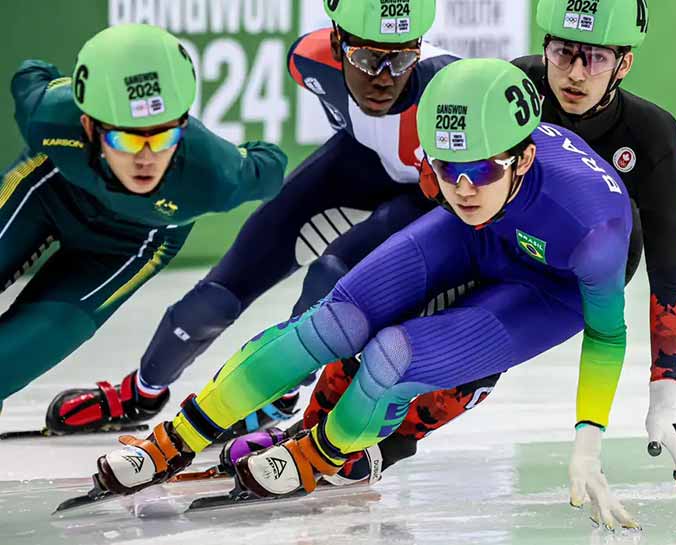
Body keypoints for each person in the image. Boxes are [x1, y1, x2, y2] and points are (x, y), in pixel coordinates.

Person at [91, 57, 642, 529]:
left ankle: (316, 455)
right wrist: (469, 182)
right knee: (331, 324)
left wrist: (588, 443)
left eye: (480, 169)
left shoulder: (595, 230)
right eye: (448, 167)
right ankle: (173, 438)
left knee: (391, 356)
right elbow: (468, 191)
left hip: (551, 287)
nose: (464, 186)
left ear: (521, 159)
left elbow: (608, 337)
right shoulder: (474, 187)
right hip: (482, 235)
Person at [249, 0, 676, 496]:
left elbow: (669, 276)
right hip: (487, 233)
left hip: (563, 271)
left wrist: (664, 397)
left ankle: (388, 446)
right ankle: (307, 429)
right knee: (379, 312)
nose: (573, 72)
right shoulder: (510, 86)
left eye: (595, 58)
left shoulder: (651, 134)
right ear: (544, 46)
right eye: (563, 52)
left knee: (467, 357)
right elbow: (434, 179)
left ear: (624, 64)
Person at [45, 0, 458, 435]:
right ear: (337, 43)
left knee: (328, 279)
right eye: (366, 58)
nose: (383, 79)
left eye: (401, 59)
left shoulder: (448, 89)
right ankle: (141, 392)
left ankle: (278, 399)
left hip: (423, 195)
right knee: (216, 296)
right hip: (360, 163)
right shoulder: (309, 61)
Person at [0, 24, 286, 418]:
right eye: (127, 139)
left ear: (183, 126)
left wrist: (230, 152)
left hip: (128, 246)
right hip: (48, 191)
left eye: (163, 136)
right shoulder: (49, 118)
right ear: (88, 125)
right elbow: (32, 72)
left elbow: (272, 163)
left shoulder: (214, 177)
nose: (146, 158)